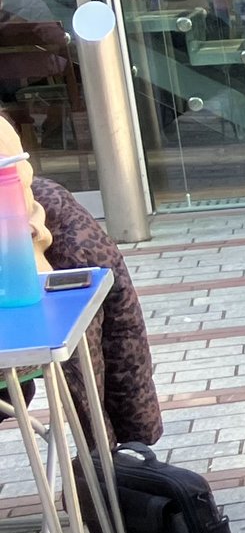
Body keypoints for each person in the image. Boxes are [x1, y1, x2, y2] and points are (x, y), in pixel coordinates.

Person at [0, 114, 162, 445]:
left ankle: (109, 471)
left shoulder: (45, 208)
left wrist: (129, 438)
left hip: (24, 327)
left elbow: (120, 327)